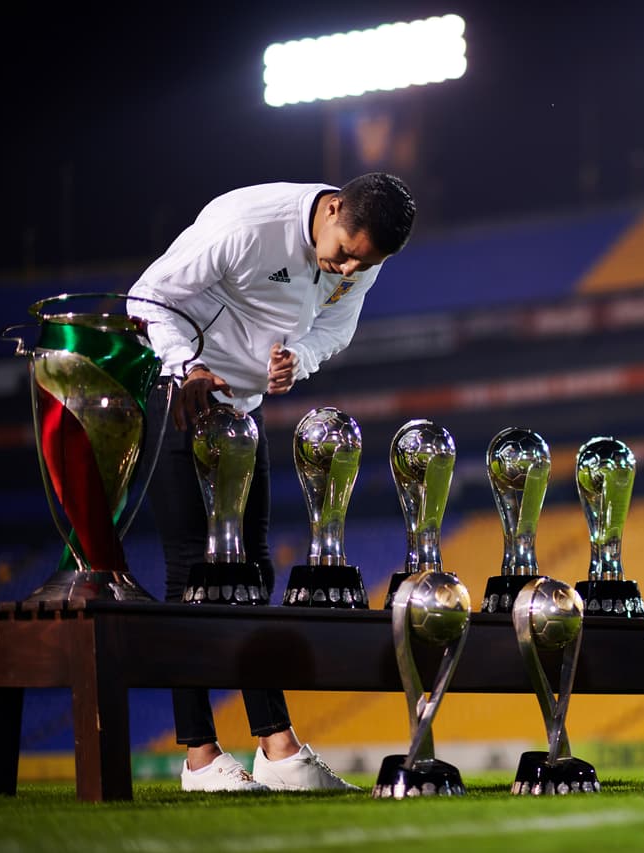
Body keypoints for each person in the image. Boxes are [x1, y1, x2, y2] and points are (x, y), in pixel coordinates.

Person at [127, 172, 416, 792]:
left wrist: (297, 359)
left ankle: (276, 749)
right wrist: (188, 364)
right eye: (342, 254)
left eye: (360, 265)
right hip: (176, 392)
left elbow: (335, 329)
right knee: (189, 572)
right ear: (332, 207)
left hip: (241, 413)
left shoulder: (364, 247)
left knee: (253, 570)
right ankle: (199, 758)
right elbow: (147, 298)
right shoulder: (248, 227)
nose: (344, 272)